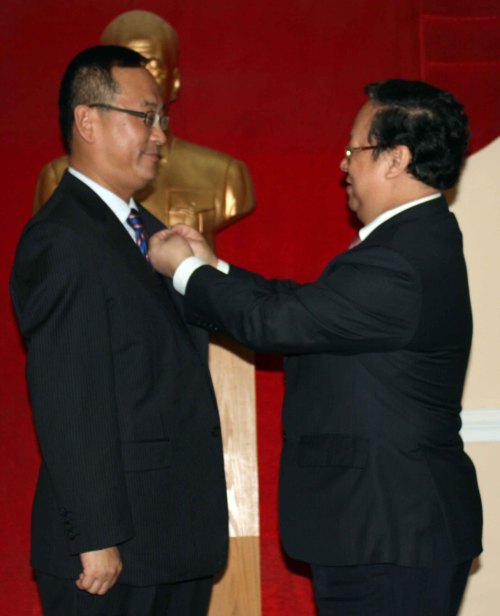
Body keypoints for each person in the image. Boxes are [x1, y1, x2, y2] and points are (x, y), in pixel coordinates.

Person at [148, 79, 483, 615]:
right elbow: (304, 309)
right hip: (385, 529)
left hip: (388, 532)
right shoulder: (414, 242)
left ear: (395, 159)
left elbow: (276, 322)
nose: (344, 165)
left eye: (355, 150)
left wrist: (184, 271)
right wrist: (214, 268)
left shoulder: (400, 259)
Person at [10, 45, 227, 616]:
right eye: (145, 116)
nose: (160, 134)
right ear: (88, 120)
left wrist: (204, 274)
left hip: (171, 541)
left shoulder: (148, 233)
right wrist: (95, 534)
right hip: (112, 558)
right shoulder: (63, 238)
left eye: (163, 119)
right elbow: (68, 395)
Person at [32, 10, 255, 245]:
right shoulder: (56, 196)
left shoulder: (224, 175)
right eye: (128, 64)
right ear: (87, 121)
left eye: (152, 64)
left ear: (175, 80)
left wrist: (191, 268)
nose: (143, 75)